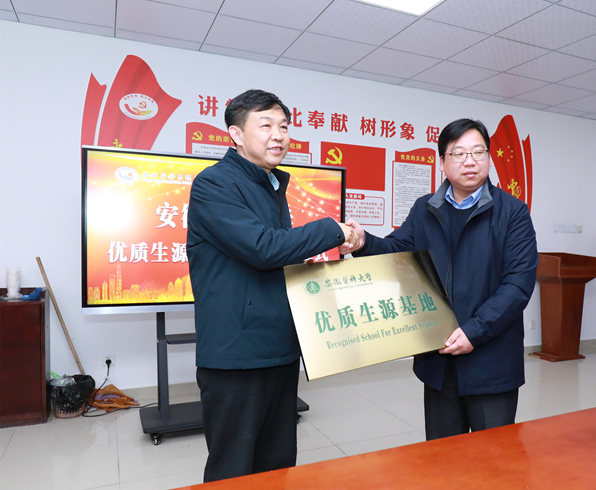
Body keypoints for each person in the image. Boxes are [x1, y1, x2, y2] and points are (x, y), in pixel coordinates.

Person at [186, 89, 360, 482]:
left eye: (283, 126)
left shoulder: (271, 184)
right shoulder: (214, 184)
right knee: (234, 468)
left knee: (277, 461)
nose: (278, 135)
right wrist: (331, 229)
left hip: (278, 347)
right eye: (265, 125)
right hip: (237, 354)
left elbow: (280, 258)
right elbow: (263, 248)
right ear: (236, 134)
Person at [344, 118, 538, 440]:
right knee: (441, 456)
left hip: (491, 361)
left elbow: (517, 285)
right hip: (438, 358)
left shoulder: (513, 212)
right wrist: (364, 242)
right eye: (458, 153)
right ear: (442, 162)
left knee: (493, 458)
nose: (470, 161)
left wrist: (474, 331)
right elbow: (397, 252)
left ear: (489, 158)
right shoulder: (425, 209)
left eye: (478, 152)